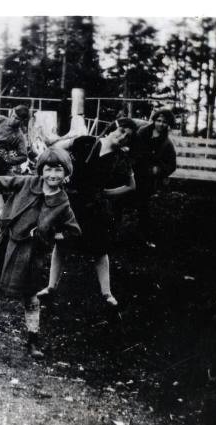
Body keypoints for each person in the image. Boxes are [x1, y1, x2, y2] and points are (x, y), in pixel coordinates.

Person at [0, 148, 81, 358]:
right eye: (48, 169)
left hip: (32, 253)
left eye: (59, 170)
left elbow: (73, 232)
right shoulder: (27, 182)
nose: (53, 175)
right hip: (6, 242)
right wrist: (1, 209)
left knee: (30, 295)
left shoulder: (63, 202)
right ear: (41, 170)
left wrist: (49, 236)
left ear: (66, 173)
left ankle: (32, 342)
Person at [37, 118, 138, 307]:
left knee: (100, 249)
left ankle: (106, 293)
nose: (123, 137)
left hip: (95, 208)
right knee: (61, 244)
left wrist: (108, 194)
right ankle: (50, 287)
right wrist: (61, 173)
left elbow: (132, 186)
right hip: (70, 202)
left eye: (128, 136)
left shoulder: (121, 158)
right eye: (122, 131)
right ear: (112, 127)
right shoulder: (86, 141)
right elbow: (57, 149)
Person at [128, 109, 177, 247]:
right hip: (132, 172)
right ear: (154, 120)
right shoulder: (142, 132)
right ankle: (113, 234)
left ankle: (144, 237)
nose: (160, 124)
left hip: (147, 178)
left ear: (168, 124)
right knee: (120, 201)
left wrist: (160, 170)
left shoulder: (167, 143)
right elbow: (130, 147)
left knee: (143, 207)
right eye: (158, 121)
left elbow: (172, 165)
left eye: (164, 122)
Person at [0, 104, 31, 177]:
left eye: (17, 119)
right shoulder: (0, 119)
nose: (13, 119)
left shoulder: (18, 136)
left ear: (22, 121)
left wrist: (8, 159)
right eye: (13, 116)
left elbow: (23, 156)